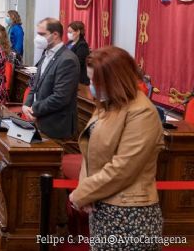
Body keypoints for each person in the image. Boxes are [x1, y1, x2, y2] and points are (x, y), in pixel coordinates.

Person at [69, 46, 164, 250]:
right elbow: (89, 152)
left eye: (96, 81)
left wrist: (81, 194)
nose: (91, 86)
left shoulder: (142, 112)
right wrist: (87, 191)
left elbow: (123, 168)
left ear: (116, 79)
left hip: (130, 215)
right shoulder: (107, 104)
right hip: (101, 205)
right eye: (90, 79)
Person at [22, 17, 79, 140]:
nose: (38, 38)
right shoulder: (46, 54)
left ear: (55, 35)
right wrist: (26, 105)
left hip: (55, 125)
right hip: (39, 120)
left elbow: (60, 97)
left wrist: (34, 109)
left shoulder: (67, 59)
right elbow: (34, 85)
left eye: (42, 34)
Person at [66, 21, 90, 85]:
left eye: (70, 32)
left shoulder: (82, 45)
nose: (68, 34)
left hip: (78, 78)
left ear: (78, 32)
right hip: (68, 74)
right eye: (68, 32)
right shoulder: (69, 43)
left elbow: (79, 62)